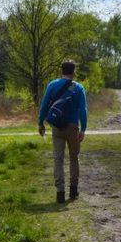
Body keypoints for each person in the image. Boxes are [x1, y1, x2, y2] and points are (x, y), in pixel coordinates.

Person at [37, 60, 87, 204]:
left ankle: (60, 193)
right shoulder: (79, 88)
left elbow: (44, 105)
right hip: (73, 128)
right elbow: (83, 110)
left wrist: (40, 123)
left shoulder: (52, 85)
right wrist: (83, 128)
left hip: (57, 127)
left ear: (61, 71)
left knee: (58, 159)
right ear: (74, 72)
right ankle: (73, 190)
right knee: (74, 158)